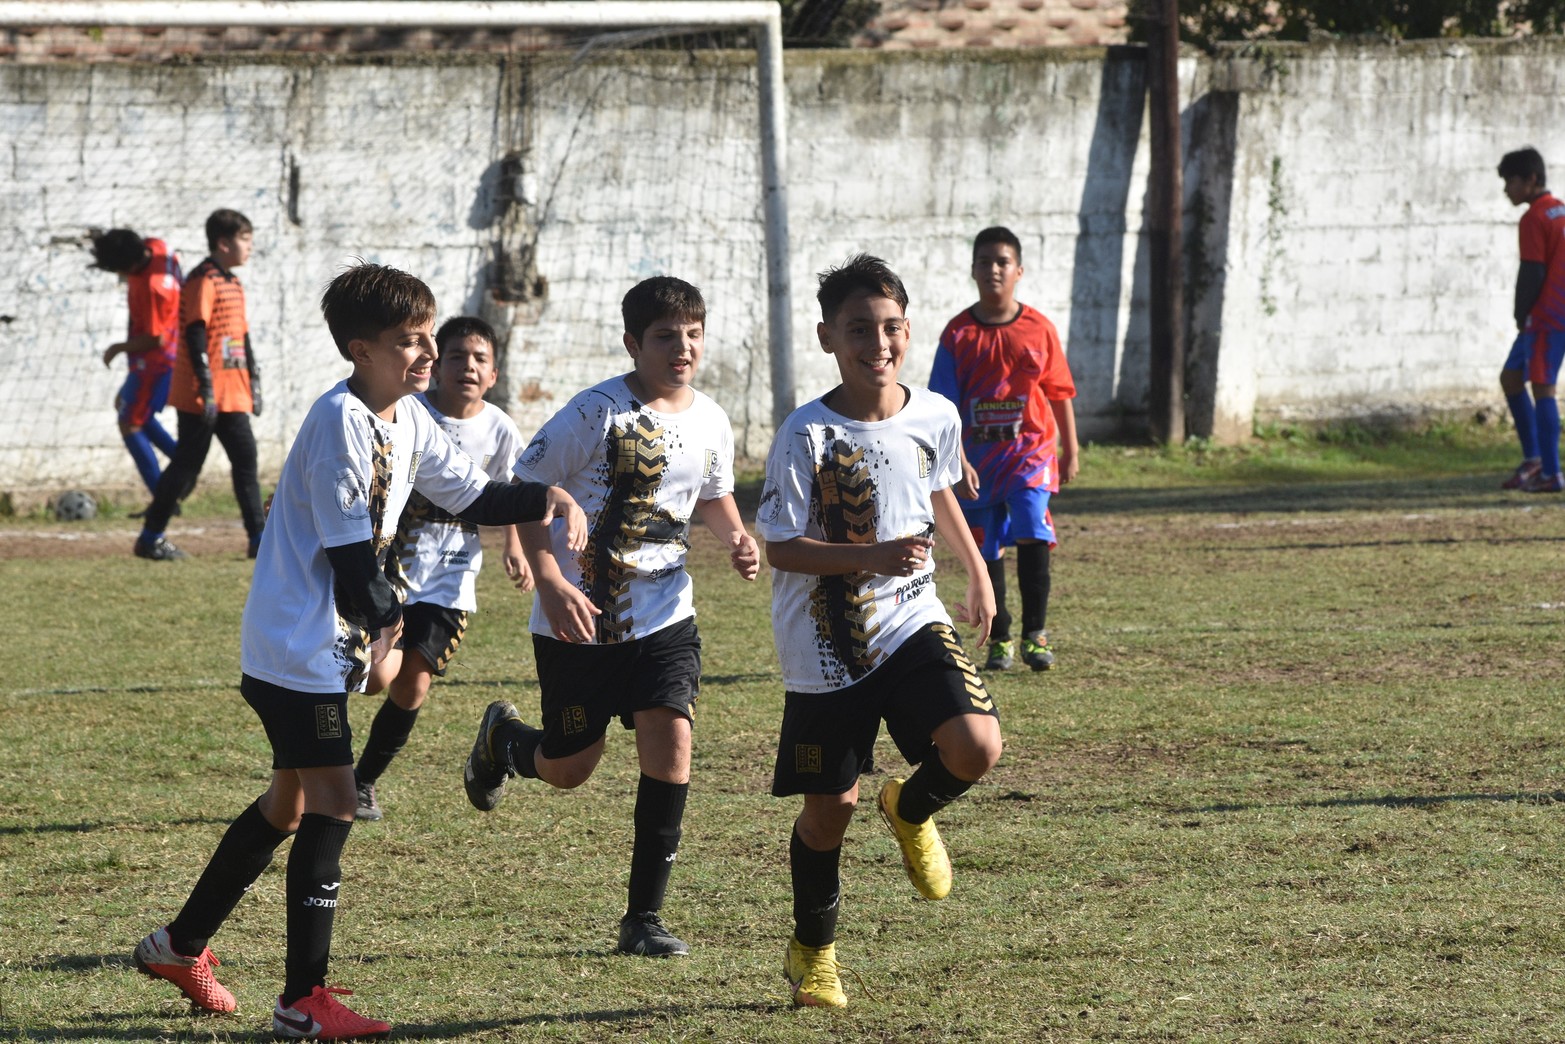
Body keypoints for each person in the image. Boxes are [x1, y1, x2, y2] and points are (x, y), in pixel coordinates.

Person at [132, 263, 587, 1041]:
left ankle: (177, 947)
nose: (427, 354)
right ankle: (301, 1000)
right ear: (360, 349)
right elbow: (354, 571)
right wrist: (390, 631)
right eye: (409, 342)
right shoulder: (339, 423)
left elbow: (473, 496)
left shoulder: (408, 419)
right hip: (295, 652)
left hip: (313, 650)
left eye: (429, 338)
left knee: (289, 803)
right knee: (336, 803)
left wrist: (545, 495)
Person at [462, 275, 760, 958]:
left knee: (671, 744)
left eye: (692, 334)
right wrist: (548, 582)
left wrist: (735, 535)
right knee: (570, 767)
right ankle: (503, 742)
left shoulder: (711, 418)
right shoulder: (594, 413)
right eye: (664, 337)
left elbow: (711, 492)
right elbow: (522, 494)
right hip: (579, 618)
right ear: (633, 344)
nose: (680, 348)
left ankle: (643, 919)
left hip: (664, 614)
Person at [756, 253, 1002, 1008]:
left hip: (911, 618)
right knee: (829, 813)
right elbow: (780, 547)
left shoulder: (934, 413)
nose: (879, 342)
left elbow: (936, 488)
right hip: (825, 648)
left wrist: (977, 571)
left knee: (976, 744)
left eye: (891, 326)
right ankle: (814, 953)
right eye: (859, 328)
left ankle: (912, 806)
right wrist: (871, 554)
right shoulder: (805, 433)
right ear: (829, 336)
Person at [353, 316, 532, 821]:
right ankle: (319, 759)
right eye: (456, 356)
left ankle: (361, 782)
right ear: (436, 363)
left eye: (480, 360)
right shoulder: (409, 412)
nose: (467, 367)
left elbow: (507, 494)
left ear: (493, 375)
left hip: (453, 579)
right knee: (374, 680)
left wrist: (512, 545)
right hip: (393, 571)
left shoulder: (499, 429)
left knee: (414, 685)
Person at [928, 226, 1078, 671]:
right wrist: (958, 460)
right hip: (979, 461)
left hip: (1030, 454)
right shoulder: (957, 334)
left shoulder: (1039, 328)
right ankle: (1001, 636)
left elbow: (1059, 392)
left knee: (1035, 530)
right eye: (985, 262)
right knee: (986, 546)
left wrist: (1069, 449)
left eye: (1002, 262)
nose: (993, 269)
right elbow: (944, 407)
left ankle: (1036, 634)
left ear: (1019, 271)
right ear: (973, 270)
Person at [133, 209, 266, 561]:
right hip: (201, 394)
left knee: (246, 460)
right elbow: (195, 332)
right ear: (223, 243)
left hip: (232, 392)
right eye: (245, 239)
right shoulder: (202, 279)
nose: (251, 246)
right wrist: (206, 387)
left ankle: (259, 540)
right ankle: (150, 537)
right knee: (187, 466)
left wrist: (253, 380)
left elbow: (242, 337)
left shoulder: (234, 283)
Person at [92, 228, 183, 496]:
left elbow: (155, 339)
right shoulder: (157, 246)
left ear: (128, 264)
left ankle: (164, 496)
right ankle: (184, 466)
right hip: (156, 359)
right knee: (127, 409)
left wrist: (117, 348)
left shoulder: (152, 288)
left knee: (130, 422)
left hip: (157, 362)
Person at [1497, 147, 1565, 493]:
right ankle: (1534, 459)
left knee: (1543, 389)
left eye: (1510, 181)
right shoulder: (1561, 212)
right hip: (1556, 313)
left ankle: (1551, 472)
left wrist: (1520, 311)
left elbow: (1533, 270)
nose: (1506, 189)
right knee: (1511, 378)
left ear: (1531, 180)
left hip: (1545, 316)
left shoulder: (1535, 218)